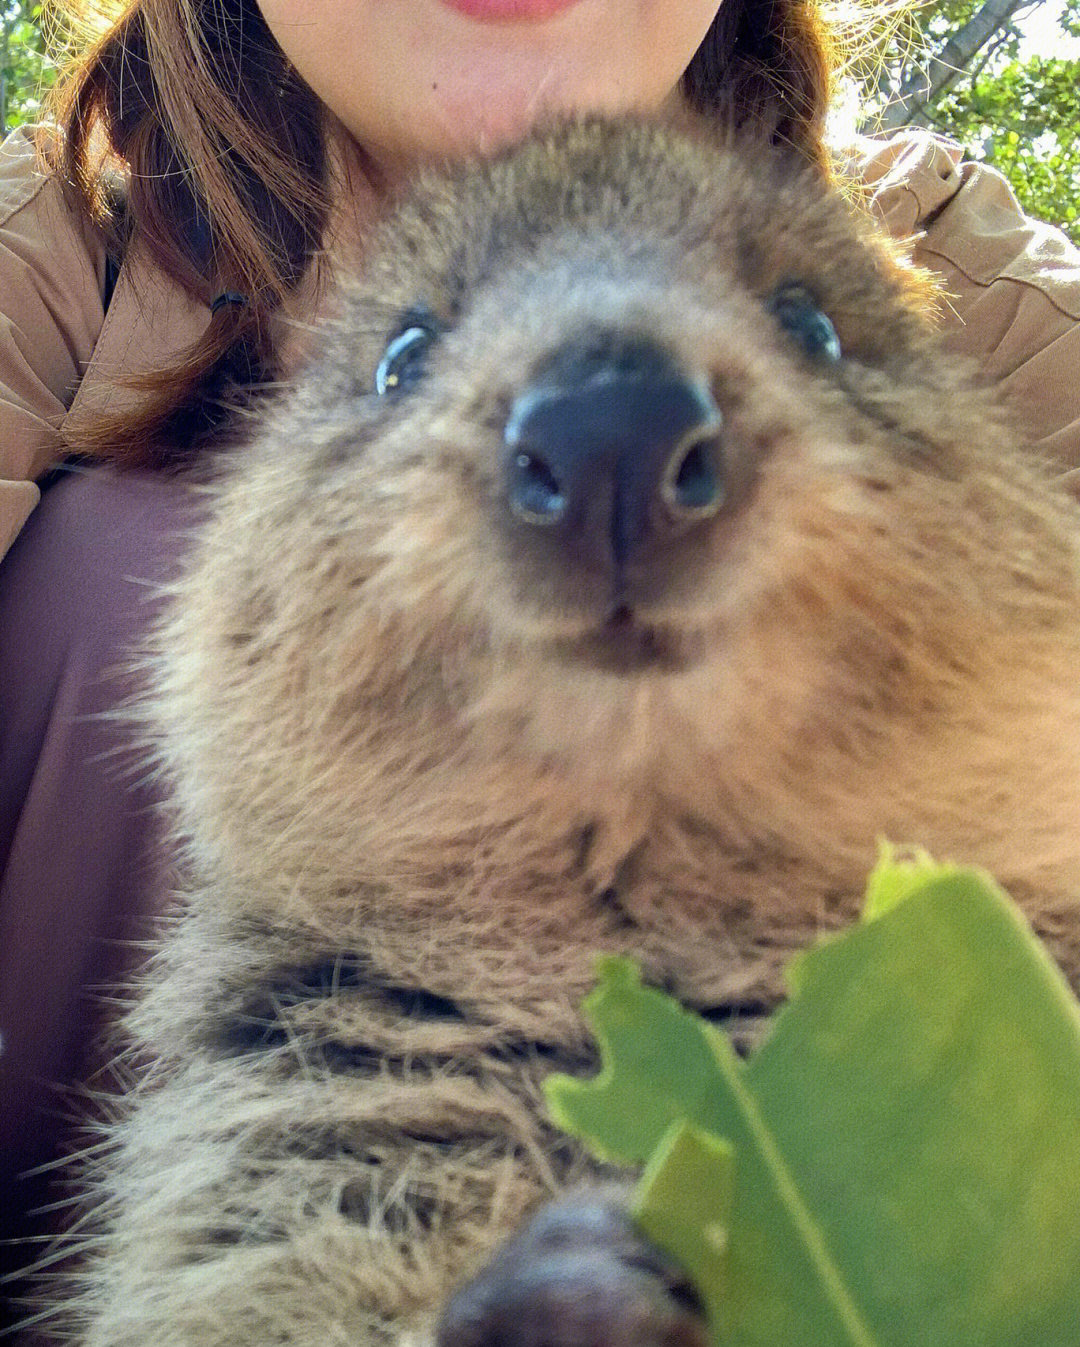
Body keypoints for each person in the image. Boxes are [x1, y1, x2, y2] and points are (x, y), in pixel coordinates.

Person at [1, 0, 1078, 1318]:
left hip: (951, 927)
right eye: (407, 360)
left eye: (806, 328)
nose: (608, 425)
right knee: (111, 555)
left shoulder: (977, 273)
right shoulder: (67, 230)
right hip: (379, 1002)